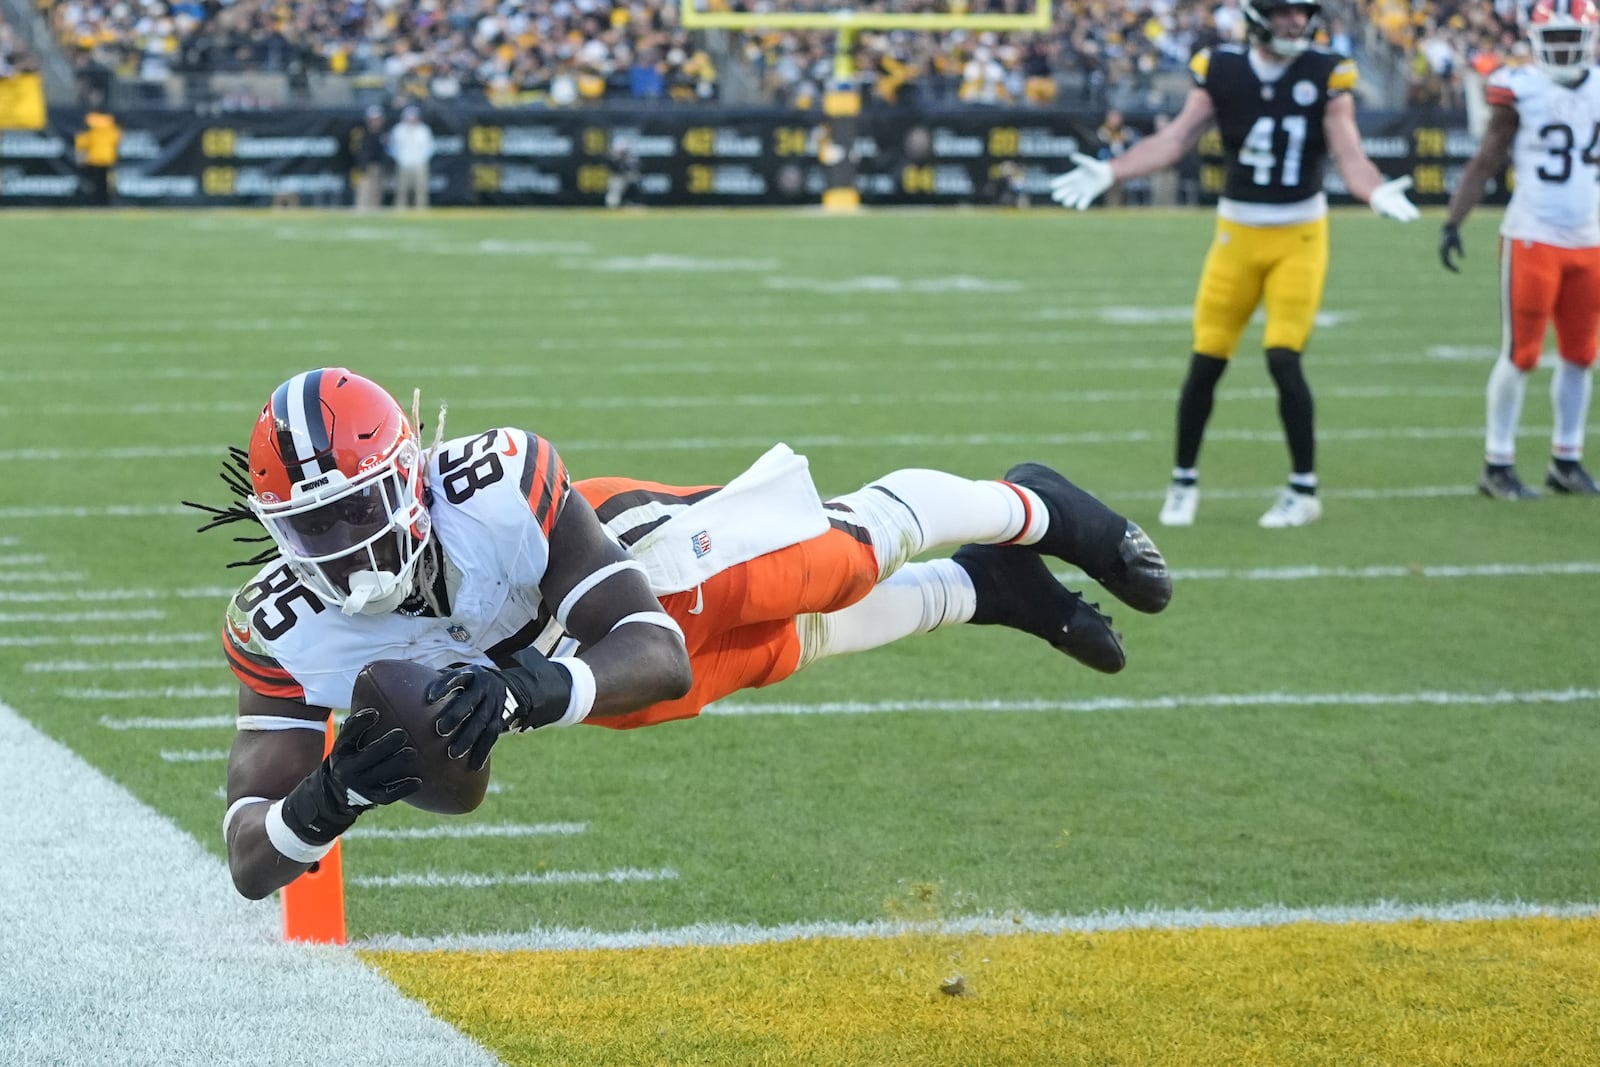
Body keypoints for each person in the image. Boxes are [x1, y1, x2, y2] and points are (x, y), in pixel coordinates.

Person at [186, 369, 1171, 901]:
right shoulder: (281, 628)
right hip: (552, 672)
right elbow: (246, 858)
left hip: (631, 572)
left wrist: (531, 692)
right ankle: (979, 587)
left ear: (410, 477)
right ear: (273, 530)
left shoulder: (492, 487)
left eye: (359, 506)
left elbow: (644, 647)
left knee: (834, 561)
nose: (345, 543)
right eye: (313, 525)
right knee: (775, 653)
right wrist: (328, 798)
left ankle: (1024, 506)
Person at [1049, 0, 1421, 529]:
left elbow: (1348, 152)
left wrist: (1373, 190)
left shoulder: (1326, 70)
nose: (1297, 21)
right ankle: (1183, 482)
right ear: (1257, 15)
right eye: (1286, 12)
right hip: (1237, 234)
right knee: (1206, 359)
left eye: (1303, 12)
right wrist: (1114, 171)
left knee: (1283, 356)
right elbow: (1176, 138)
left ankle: (1303, 489)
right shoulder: (1220, 67)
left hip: (1300, 234)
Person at [1440, 0, 1600, 499]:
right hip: (1533, 236)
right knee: (1521, 354)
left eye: (1569, 40)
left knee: (1581, 355)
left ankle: (1566, 460)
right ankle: (1498, 461)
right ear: (1535, 42)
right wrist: (1454, 220)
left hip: (1591, 240)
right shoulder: (1520, 89)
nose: (1561, 50)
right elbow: (1487, 159)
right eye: (1551, 40)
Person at [74, 102, 121, 207]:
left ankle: (94, 204)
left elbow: (82, 140)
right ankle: (107, 204)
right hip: (108, 157)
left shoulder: (88, 121)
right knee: (107, 184)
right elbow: (117, 138)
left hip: (93, 158)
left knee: (94, 184)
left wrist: (80, 154)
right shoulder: (111, 122)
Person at [387, 106, 434, 210]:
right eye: (409, 117)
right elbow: (392, 147)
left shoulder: (424, 130)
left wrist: (423, 159)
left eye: (413, 117)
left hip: (419, 164)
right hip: (403, 163)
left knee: (420, 189)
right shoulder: (398, 129)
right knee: (401, 190)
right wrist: (399, 158)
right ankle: (400, 209)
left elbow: (430, 147)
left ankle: (421, 209)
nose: (411, 120)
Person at [353, 106, 387, 212]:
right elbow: (359, 152)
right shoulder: (362, 133)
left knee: (376, 192)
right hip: (366, 167)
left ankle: (374, 212)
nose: (375, 122)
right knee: (364, 190)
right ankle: (361, 211)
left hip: (379, 167)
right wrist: (363, 166)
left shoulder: (384, 134)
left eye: (377, 119)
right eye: (373, 120)